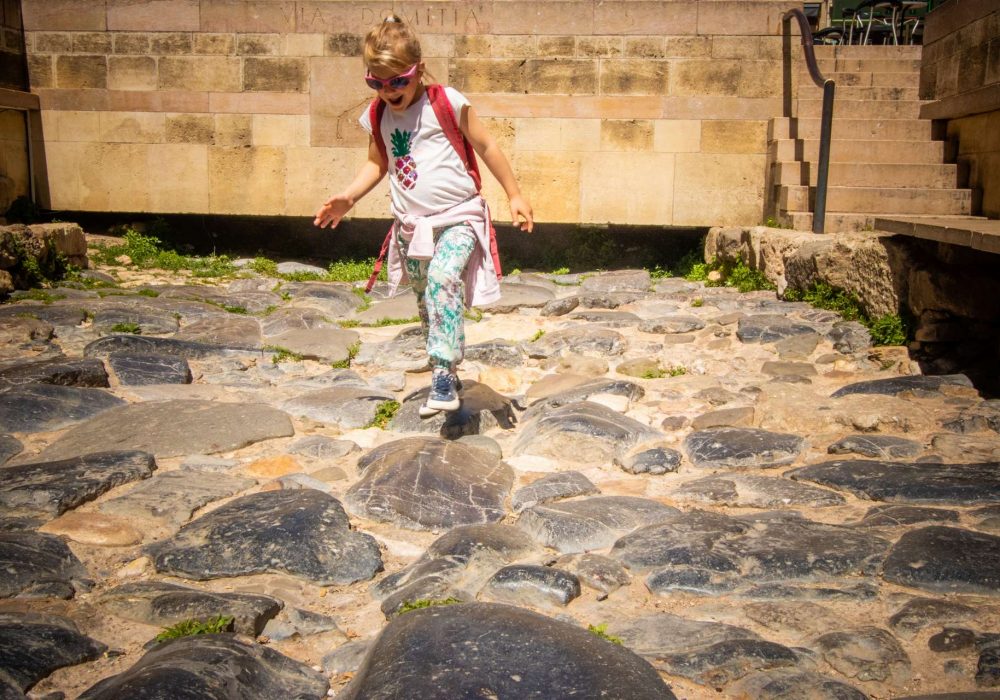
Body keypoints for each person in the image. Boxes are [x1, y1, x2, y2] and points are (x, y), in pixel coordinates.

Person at [314, 14, 533, 417]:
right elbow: (376, 164)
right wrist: (349, 197)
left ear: (418, 70)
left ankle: (445, 373)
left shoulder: (447, 102)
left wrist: (515, 194)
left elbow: (486, 146)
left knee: (443, 278)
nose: (388, 90)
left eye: (398, 80)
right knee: (427, 300)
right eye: (376, 82)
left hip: (459, 216)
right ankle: (440, 366)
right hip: (411, 226)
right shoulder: (378, 115)